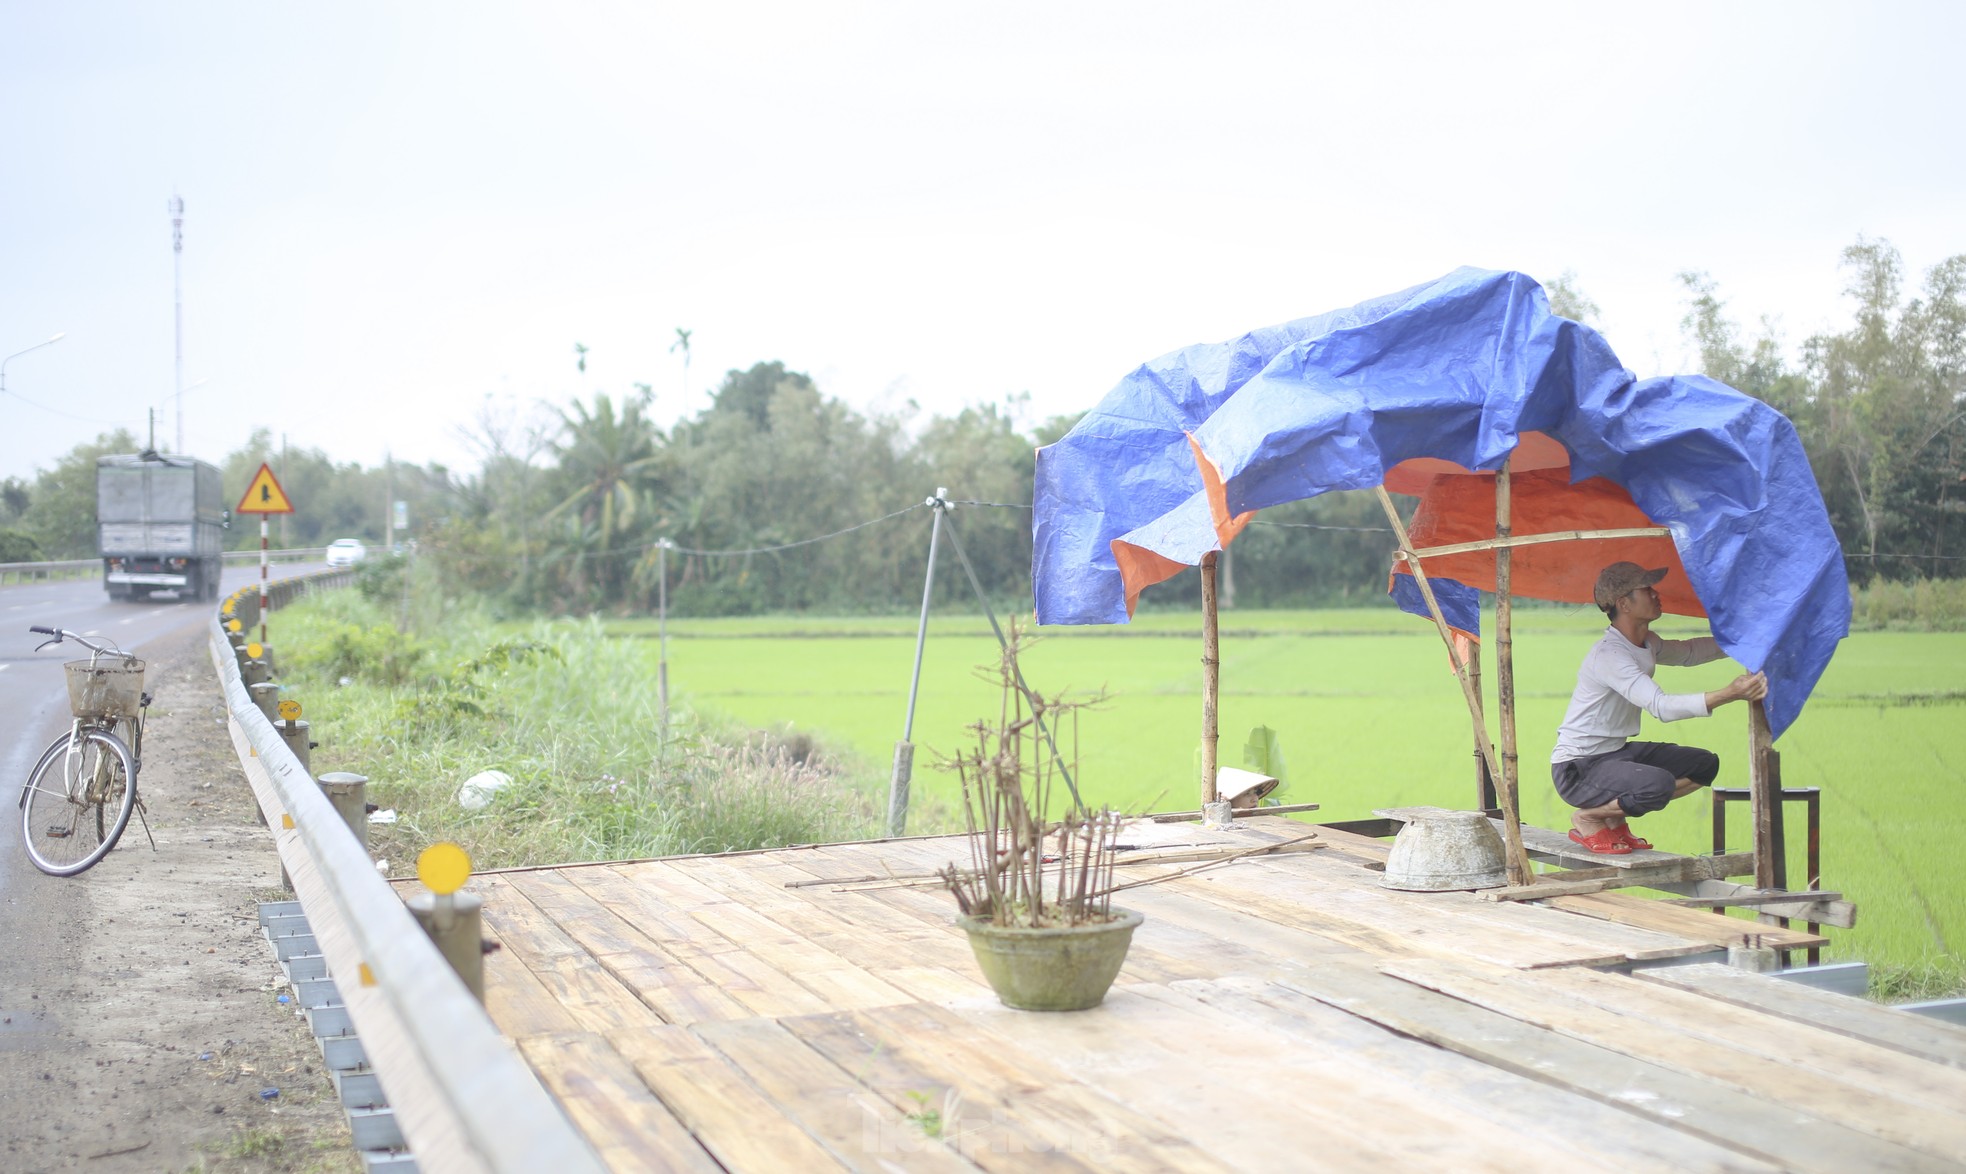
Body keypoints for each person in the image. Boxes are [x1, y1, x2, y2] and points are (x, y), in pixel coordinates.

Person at [1550, 561, 1768, 855]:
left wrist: (1740, 642)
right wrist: (1730, 693)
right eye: (1647, 589)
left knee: (1705, 765)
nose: (1656, 594)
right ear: (1624, 604)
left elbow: (1688, 653)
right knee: (1658, 785)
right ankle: (1591, 817)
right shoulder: (1610, 656)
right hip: (1578, 768)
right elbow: (1661, 707)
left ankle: (1613, 816)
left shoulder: (1645, 642)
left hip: (1613, 754)